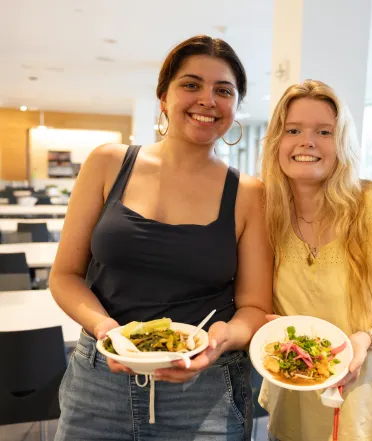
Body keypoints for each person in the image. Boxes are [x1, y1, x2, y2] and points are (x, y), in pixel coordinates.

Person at [50, 35, 273, 441]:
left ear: (235, 107)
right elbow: (64, 275)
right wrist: (107, 331)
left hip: (205, 392)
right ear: (163, 97)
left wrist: (221, 341)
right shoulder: (107, 163)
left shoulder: (248, 193)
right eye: (191, 85)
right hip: (98, 386)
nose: (207, 99)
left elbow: (256, 306)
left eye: (223, 90)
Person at [259, 79, 372, 441]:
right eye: (293, 130)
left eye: (324, 131)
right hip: (294, 404)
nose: (308, 141)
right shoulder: (266, 214)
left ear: (343, 143)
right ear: (276, 141)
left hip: (368, 411)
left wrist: (365, 339)